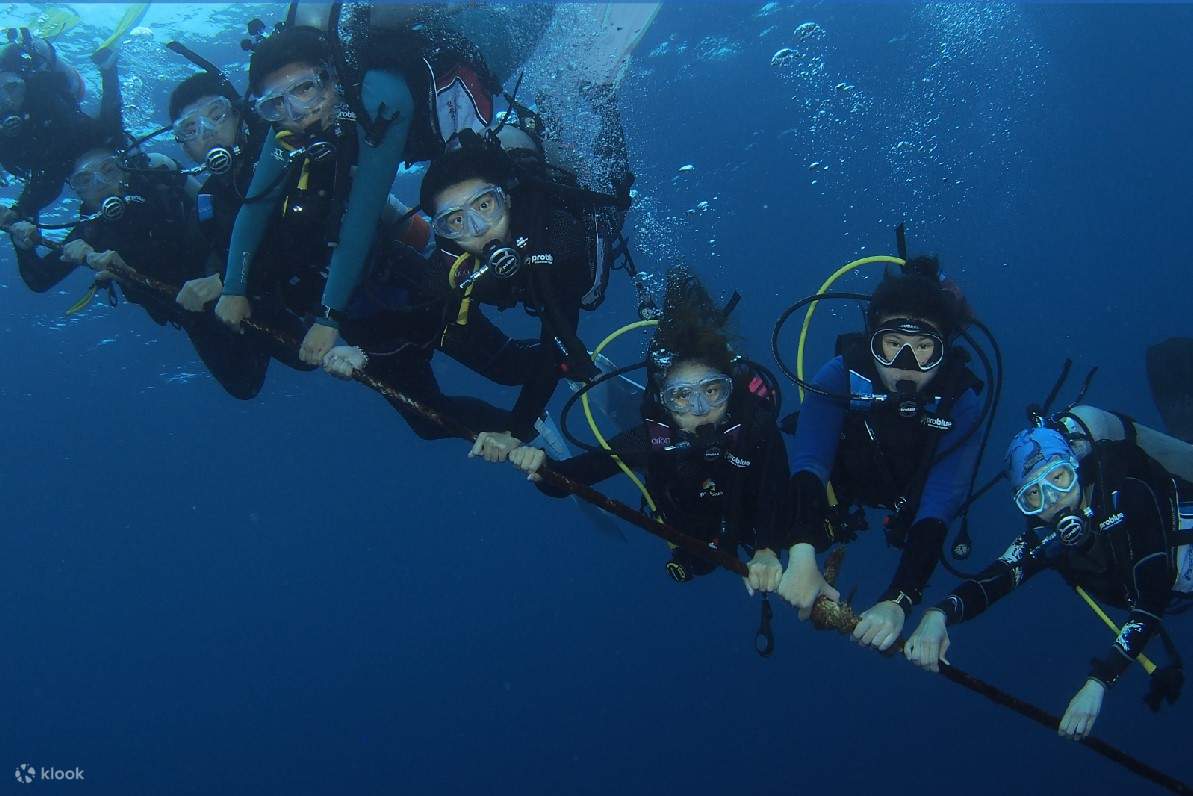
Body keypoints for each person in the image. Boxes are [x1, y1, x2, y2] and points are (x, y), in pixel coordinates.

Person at [214, 10, 500, 366]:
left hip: (488, 49)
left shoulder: (381, 98)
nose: (297, 112)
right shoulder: (287, 122)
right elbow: (257, 203)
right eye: (275, 104)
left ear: (331, 75)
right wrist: (234, 287)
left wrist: (328, 317)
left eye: (305, 88)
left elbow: (363, 213)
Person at [905, 417, 1193, 741]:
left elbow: (1152, 596)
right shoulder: (1046, 539)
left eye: (1059, 478)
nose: (1053, 498)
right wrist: (938, 615)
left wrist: (1099, 681)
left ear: (1075, 468)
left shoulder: (1126, 492)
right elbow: (996, 578)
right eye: (1034, 494)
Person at [505, 270, 791, 592]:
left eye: (712, 391)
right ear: (664, 401)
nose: (700, 410)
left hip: (745, 521)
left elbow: (777, 487)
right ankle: (617, 398)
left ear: (730, 389)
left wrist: (767, 549)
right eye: (681, 396)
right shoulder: (650, 440)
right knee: (700, 561)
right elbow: (567, 479)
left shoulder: (754, 427)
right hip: (696, 531)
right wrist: (540, 465)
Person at [778, 256, 983, 650]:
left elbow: (941, 500)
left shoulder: (960, 402)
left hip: (912, 502)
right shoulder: (840, 374)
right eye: (892, 345)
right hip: (846, 483)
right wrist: (801, 552)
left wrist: (898, 600)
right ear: (872, 340)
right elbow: (811, 460)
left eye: (923, 348)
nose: (905, 366)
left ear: (944, 349)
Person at [7, 133, 272, 400]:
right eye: (84, 180)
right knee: (244, 385)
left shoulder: (159, 182)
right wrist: (23, 244)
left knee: (285, 347)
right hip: (190, 312)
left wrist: (227, 278)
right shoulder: (90, 231)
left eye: (108, 170)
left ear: (124, 167)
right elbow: (40, 279)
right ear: (77, 191)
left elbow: (224, 213)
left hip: (236, 281)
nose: (100, 184)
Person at [417, 129, 634, 450]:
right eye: (456, 221)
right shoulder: (447, 263)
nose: (479, 229)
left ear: (506, 198)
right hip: (527, 288)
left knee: (614, 187)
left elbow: (557, 337)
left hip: (572, 261)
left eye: (484, 205)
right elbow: (419, 315)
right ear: (443, 231)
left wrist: (515, 431)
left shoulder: (559, 236)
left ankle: (593, 111)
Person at [0, 28, 122, 229]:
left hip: (78, 141)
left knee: (113, 137)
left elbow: (52, 176)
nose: (7, 101)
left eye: (12, 88)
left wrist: (21, 210)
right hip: (56, 161)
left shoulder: (42, 94)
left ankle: (108, 67)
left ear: (24, 83)